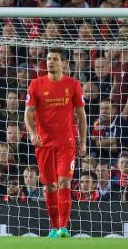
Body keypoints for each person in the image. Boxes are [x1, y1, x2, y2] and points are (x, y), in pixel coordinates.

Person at [24, 47, 87, 238]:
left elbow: (81, 116)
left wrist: (82, 142)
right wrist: (33, 133)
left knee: (64, 181)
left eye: (55, 59)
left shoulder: (73, 85)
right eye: (49, 59)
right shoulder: (36, 84)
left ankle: (64, 228)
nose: (50, 62)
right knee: (50, 185)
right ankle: (53, 227)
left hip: (66, 143)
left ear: (64, 63)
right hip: (43, 144)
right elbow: (28, 113)